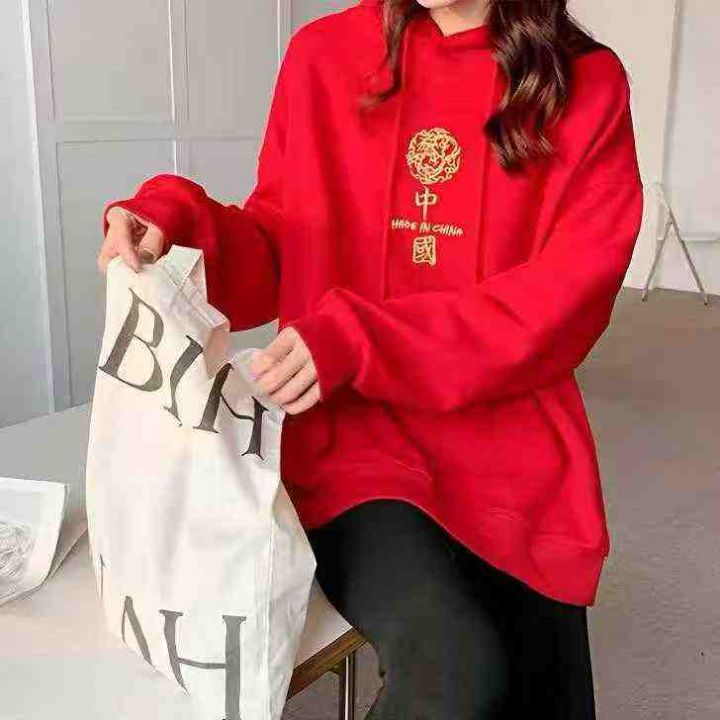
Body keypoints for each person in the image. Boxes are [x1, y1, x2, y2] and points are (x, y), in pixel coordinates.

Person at [97, 0, 644, 716]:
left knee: (537, 680)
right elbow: (280, 243)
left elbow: (565, 301)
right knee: (456, 673)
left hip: (513, 435)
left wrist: (361, 337)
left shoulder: (585, 83)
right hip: (350, 437)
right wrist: (179, 224)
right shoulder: (324, 55)